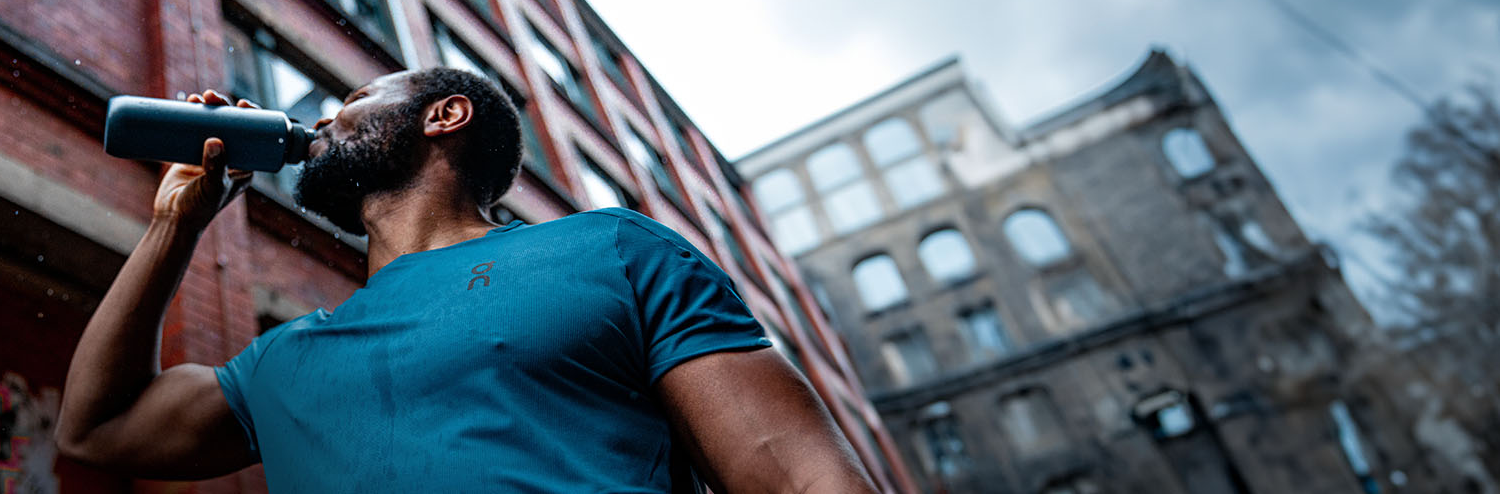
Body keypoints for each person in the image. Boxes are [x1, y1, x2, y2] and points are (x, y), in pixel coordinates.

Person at [53, 67, 881, 493]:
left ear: (443, 116)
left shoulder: (611, 251)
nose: (325, 114)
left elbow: (797, 474)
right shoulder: (284, 359)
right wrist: (174, 226)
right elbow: (100, 427)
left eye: (355, 97)